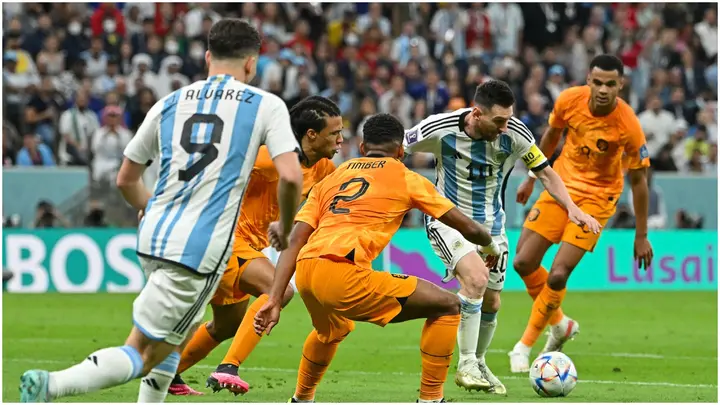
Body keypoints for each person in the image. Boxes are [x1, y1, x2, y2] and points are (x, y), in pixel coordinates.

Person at [19, 19, 304, 403]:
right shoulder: (265, 105)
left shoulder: (170, 102)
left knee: (177, 336)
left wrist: (151, 208)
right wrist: (285, 229)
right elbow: (290, 176)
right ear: (251, 64)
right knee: (143, 352)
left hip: (153, 234)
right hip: (200, 249)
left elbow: (125, 179)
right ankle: (51, 386)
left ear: (207, 57)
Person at [253, 113, 502, 403]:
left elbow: (295, 239)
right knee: (447, 305)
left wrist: (274, 298)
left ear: (362, 147)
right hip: (342, 271)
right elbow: (467, 227)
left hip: (308, 271)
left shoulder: (333, 177)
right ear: (400, 151)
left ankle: (301, 399)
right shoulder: (405, 177)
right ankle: (431, 399)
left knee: (333, 330)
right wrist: (491, 247)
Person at [403, 80, 600, 394]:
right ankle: (466, 362)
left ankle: (479, 362)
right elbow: (397, 149)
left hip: (492, 227)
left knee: (492, 300)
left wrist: (572, 208)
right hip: (449, 221)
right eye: (499, 121)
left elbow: (546, 173)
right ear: (477, 114)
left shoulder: (516, 134)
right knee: (475, 280)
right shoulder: (440, 128)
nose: (505, 127)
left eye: (509, 119)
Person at [169, 96, 343, 396]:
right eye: (334, 133)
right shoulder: (268, 158)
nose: (341, 140)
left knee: (226, 326)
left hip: (247, 246)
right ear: (311, 135)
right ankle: (228, 367)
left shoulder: (324, 167)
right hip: (221, 239)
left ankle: (167, 375)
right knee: (279, 291)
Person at [508, 54, 654, 373]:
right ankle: (560, 325)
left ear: (621, 85)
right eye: (597, 82)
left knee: (559, 273)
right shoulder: (568, 100)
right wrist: (532, 177)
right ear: (588, 80)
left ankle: (524, 345)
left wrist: (641, 234)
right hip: (560, 186)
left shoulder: (628, 125)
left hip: (598, 200)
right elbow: (551, 137)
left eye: (610, 84)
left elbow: (640, 182)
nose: (603, 90)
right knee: (522, 262)